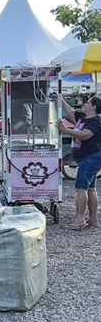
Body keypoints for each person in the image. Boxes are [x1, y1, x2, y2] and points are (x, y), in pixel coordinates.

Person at [56, 95, 101, 229]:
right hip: (85, 158)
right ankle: (93, 219)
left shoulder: (95, 121)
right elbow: (70, 112)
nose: (84, 104)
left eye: (88, 103)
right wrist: (59, 97)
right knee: (90, 188)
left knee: (80, 188)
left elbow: (86, 135)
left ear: (93, 107)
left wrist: (65, 130)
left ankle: (79, 219)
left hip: (91, 157)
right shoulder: (83, 117)